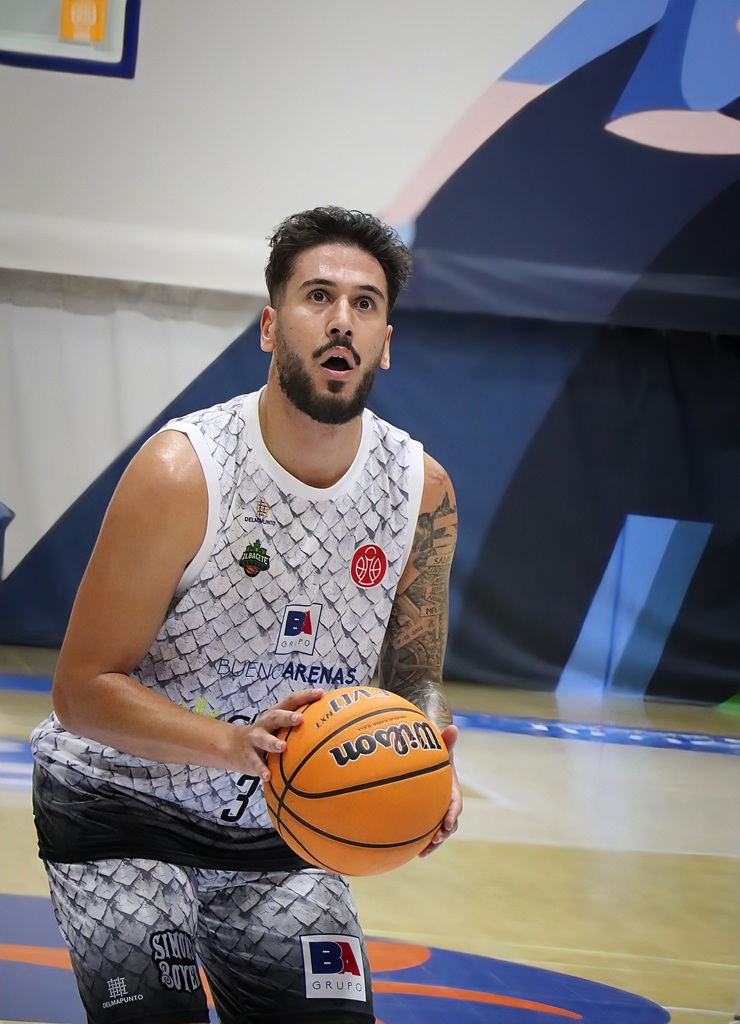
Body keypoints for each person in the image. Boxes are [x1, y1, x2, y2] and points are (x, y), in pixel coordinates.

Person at [31, 206, 462, 1024]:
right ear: (270, 327)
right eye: (318, 296)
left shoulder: (421, 491)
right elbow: (81, 691)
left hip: (282, 825)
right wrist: (235, 745)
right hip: (121, 808)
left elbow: (417, 679)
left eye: (365, 303)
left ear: (386, 342)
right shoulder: (183, 471)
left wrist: (429, 750)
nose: (342, 320)